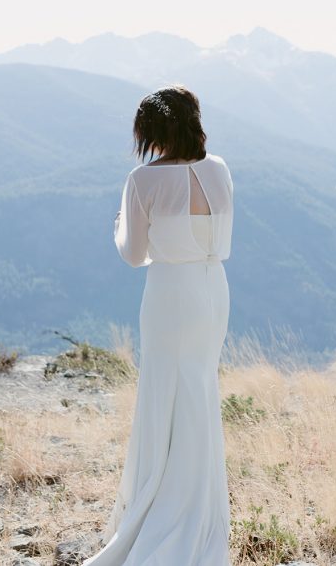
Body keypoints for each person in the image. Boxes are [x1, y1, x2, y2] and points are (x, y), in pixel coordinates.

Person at [85, 86, 234, 565]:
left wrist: (117, 225)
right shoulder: (219, 169)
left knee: (162, 397)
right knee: (198, 391)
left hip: (171, 293)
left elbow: (133, 255)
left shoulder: (142, 180)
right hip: (213, 289)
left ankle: (159, 507)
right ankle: (200, 509)